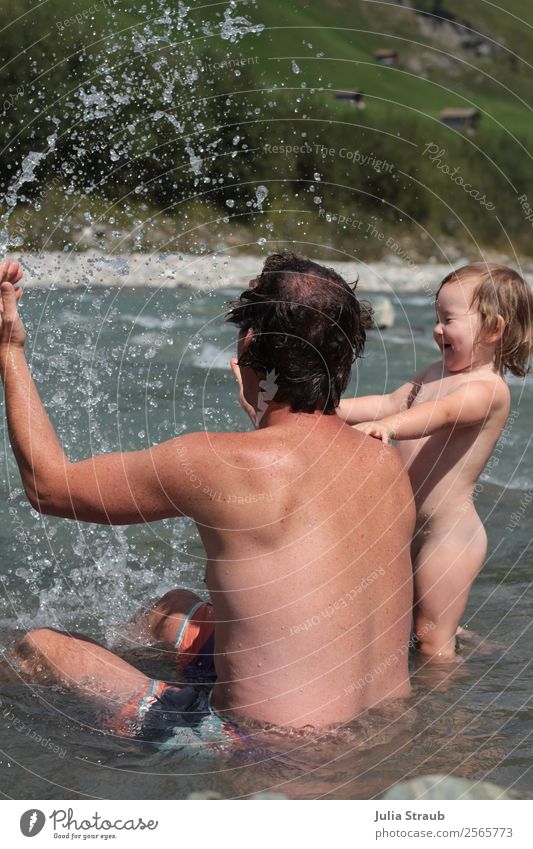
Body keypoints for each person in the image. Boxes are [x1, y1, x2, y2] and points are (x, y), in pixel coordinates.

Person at [0, 252, 414, 741]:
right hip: (375, 734)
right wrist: (264, 414)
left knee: (37, 647)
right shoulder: (384, 463)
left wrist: (9, 347)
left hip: (260, 747)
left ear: (251, 342)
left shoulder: (219, 462)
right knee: (171, 609)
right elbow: (294, 479)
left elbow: (49, 487)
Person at [338, 263, 533, 660]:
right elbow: (389, 401)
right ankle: (459, 628)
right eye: (436, 319)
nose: (438, 329)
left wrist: (389, 427)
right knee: (399, 624)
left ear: (493, 329)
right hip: (408, 528)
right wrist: (327, 409)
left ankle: (446, 711)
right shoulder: (433, 372)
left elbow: (441, 414)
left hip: (449, 538)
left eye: (449, 320)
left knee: (430, 644)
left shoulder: (488, 390)